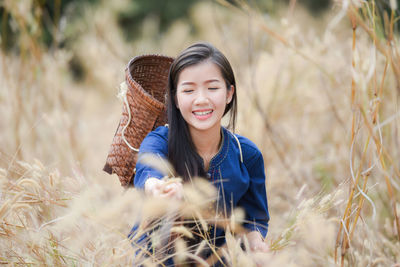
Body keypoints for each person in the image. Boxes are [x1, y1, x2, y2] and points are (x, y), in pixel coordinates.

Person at [131, 42, 269, 265]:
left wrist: (255, 241)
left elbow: (253, 218)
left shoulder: (247, 155)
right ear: (175, 98)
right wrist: (158, 187)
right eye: (188, 90)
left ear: (229, 93)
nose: (201, 99)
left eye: (212, 88)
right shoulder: (160, 141)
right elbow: (149, 170)